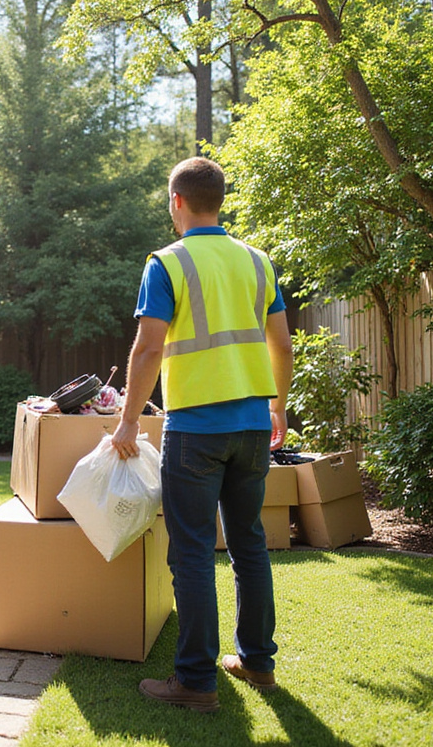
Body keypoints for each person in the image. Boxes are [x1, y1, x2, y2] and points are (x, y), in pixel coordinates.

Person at [111, 157, 294, 712]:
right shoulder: (259, 262)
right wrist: (279, 406)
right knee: (249, 545)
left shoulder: (167, 263)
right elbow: (282, 345)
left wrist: (126, 419)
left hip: (194, 430)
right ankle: (257, 663)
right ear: (219, 200)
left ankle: (195, 681)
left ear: (177, 202)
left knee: (191, 553)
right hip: (252, 427)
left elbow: (147, 349)